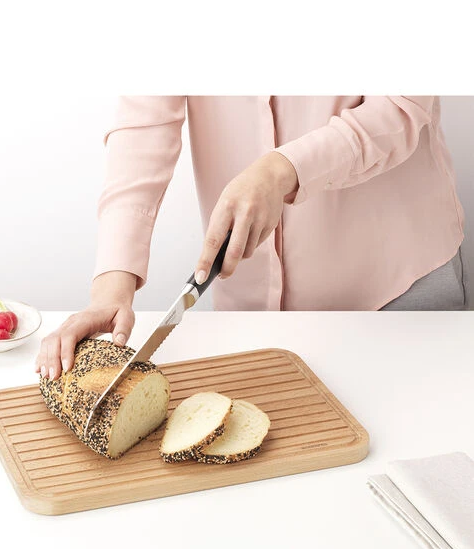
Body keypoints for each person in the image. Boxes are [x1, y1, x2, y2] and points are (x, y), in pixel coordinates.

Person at [35, 96, 466, 381]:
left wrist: (283, 170)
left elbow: (401, 107)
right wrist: (111, 288)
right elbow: (143, 126)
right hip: (251, 313)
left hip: (397, 291)